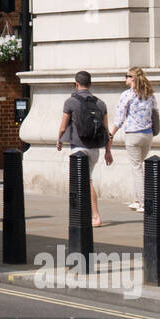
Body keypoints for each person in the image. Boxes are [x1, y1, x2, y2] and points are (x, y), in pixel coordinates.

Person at [56, 70, 113, 227]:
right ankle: (83, 214)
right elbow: (107, 130)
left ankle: (95, 216)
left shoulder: (70, 102)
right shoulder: (100, 103)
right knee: (83, 181)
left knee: (86, 182)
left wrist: (59, 141)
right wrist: (108, 151)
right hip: (95, 149)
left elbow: (62, 127)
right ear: (90, 84)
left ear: (76, 84)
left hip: (78, 149)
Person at [109, 67, 158, 211]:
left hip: (133, 136)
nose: (125, 79)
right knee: (139, 167)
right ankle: (137, 200)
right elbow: (155, 114)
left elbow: (119, 117)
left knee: (137, 169)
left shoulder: (127, 95)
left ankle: (143, 203)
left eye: (127, 76)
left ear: (133, 79)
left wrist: (111, 134)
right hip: (147, 135)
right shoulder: (150, 95)